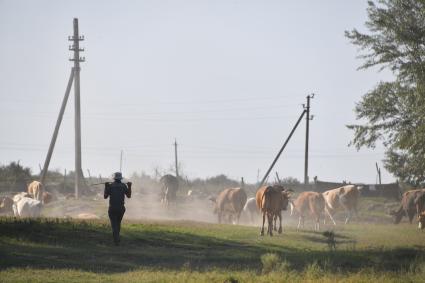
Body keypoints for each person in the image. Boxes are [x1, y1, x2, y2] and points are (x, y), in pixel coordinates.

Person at [104, 172, 131, 245]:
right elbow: (129, 196)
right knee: (118, 223)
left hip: (112, 208)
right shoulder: (124, 186)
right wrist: (129, 186)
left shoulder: (110, 186)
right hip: (121, 208)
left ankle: (116, 239)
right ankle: (117, 237)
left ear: (114, 179)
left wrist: (106, 187)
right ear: (120, 178)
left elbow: (105, 196)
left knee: (114, 224)